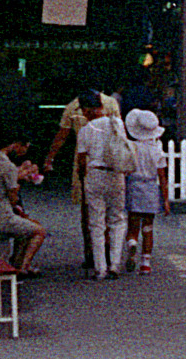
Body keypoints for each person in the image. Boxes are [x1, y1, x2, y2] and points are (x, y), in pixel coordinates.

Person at [45, 88, 120, 272]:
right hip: (113, 166)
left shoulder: (75, 112)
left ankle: (93, 256)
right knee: (115, 215)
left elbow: (63, 136)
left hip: (88, 167)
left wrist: (50, 158)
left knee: (89, 214)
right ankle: (112, 258)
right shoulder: (112, 105)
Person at [73, 89, 132, 280]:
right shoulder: (117, 124)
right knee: (117, 219)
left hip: (95, 175)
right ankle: (115, 264)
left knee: (96, 223)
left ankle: (100, 268)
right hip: (116, 175)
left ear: (87, 110)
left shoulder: (85, 131)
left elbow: (82, 159)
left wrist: (82, 178)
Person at [0, 136, 46, 275]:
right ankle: (23, 268)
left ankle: (16, 264)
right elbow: (13, 198)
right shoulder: (7, 166)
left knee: (24, 229)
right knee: (39, 231)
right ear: (15, 145)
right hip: (0, 217)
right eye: (25, 147)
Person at [122, 106, 169, 274]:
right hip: (151, 188)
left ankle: (132, 244)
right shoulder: (157, 150)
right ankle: (146, 264)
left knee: (133, 225)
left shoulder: (131, 147)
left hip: (134, 186)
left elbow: (125, 169)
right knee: (148, 228)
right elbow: (162, 177)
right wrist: (165, 199)